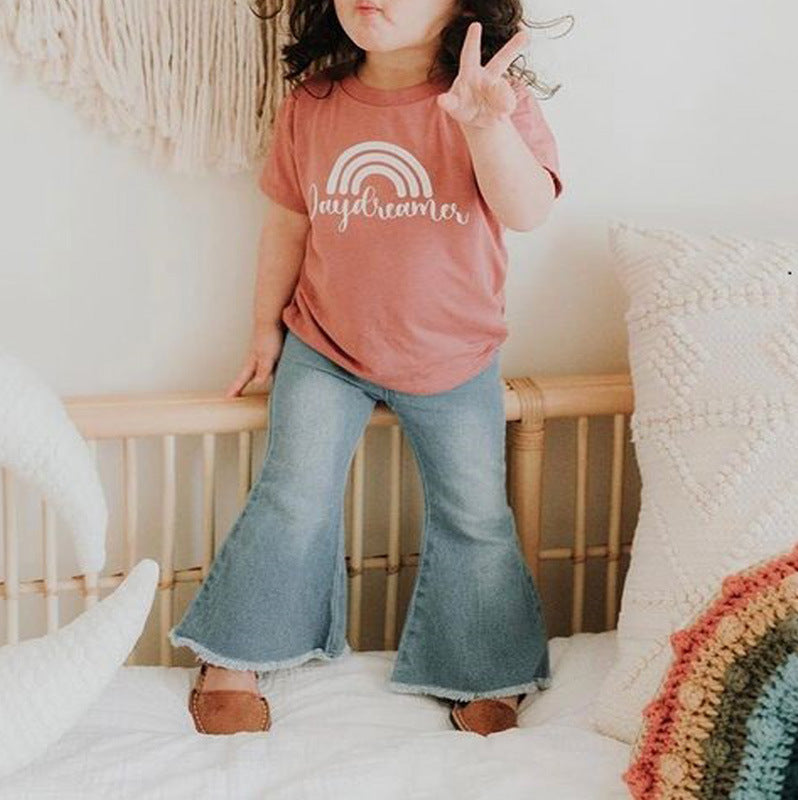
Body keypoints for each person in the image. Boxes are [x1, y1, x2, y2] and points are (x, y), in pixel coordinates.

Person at [169, 0, 564, 737]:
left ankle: (482, 669)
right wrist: (263, 330)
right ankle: (237, 653)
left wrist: (484, 125)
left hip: (455, 354)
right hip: (325, 349)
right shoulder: (314, 102)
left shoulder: (492, 101)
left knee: (475, 515)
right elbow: (288, 221)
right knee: (293, 494)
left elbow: (528, 209)